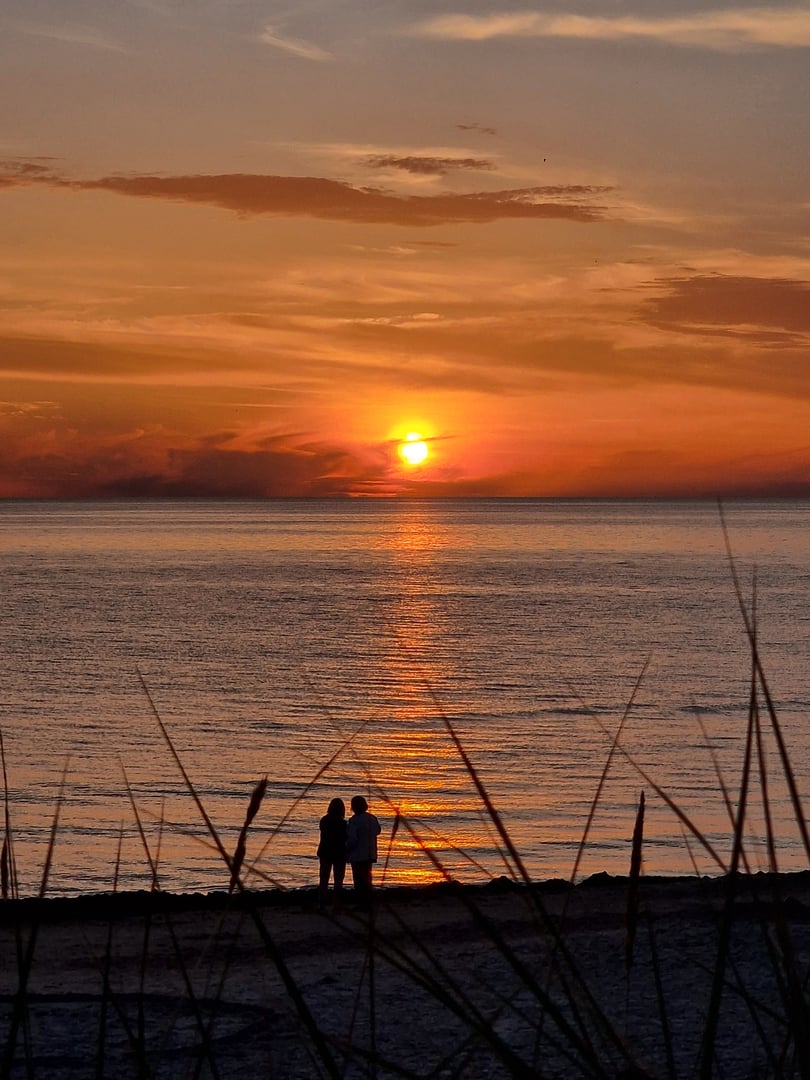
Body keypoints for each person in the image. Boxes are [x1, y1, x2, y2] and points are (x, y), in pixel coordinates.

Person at [345, 794, 381, 910]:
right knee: (367, 878)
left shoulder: (354, 821)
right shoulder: (372, 818)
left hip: (357, 855)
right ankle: (368, 903)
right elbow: (377, 831)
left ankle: (361, 903)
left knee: (359, 880)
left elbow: (352, 839)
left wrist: (346, 850)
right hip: (370, 853)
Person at [317, 798, 347, 911]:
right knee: (338, 880)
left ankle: (322, 903)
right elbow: (346, 838)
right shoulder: (343, 823)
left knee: (323, 878)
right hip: (339, 853)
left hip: (325, 851)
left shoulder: (324, 820)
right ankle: (336, 904)